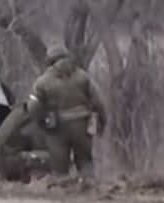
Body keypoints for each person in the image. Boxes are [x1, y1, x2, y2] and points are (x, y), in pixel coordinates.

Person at [24, 45, 107, 178]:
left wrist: (42, 122)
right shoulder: (83, 76)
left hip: (57, 128)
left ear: (50, 61)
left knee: (59, 167)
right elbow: (98, 102)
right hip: (82, 125)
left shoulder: (42, 82)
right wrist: (102, 123)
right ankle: (90, 187)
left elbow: (33, 107)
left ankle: (63, 189)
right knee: (85, 162)